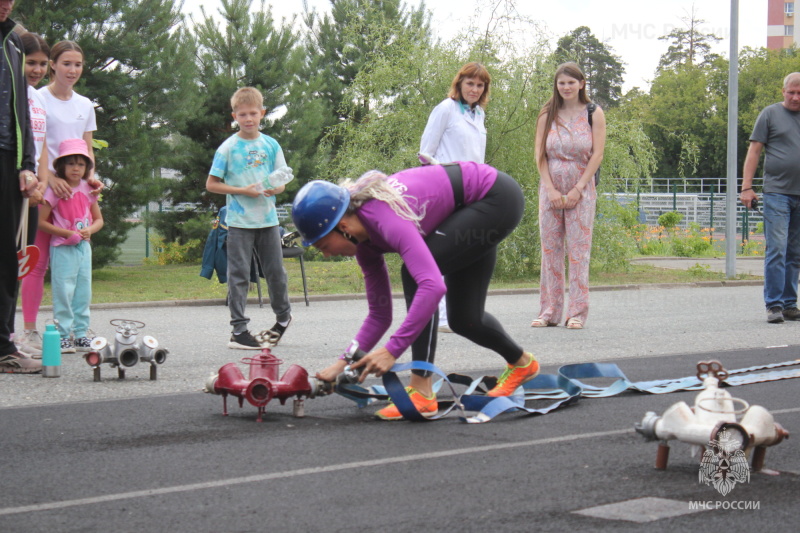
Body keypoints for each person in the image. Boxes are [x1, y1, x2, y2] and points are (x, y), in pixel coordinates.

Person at [292, 162, 539, 421]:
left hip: (495, 198)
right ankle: (522, 363)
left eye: (323, 245)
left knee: (415, 276)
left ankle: (421, 390)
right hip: (468, 209)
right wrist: (341, 364)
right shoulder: (365, 245)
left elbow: (433, 286)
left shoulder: (383, 216)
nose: (327, 254)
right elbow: (379, 315)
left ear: (343, 226)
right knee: (466, 320)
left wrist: (392, 350)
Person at [17, 39, 100, 355]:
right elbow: (34, 142)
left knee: (78, 268)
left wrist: (90, 178)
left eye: (78, 64)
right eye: (66, 63)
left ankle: (77, 328)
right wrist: (49, 178)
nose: (72, 70)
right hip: (44, 189)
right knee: (37, 263)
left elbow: (87, 147)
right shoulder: (36, 98)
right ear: (53, 64)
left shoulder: (85, 105)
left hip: (76, 193)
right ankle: (28, 331)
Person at [206, 87, 293, 350]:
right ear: (234, 115)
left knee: (276, 273)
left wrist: (274, 188)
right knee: (239, 276)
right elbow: (212, 184)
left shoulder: (271, 145)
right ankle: (239, 330)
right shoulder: (228, 148)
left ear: (262, 113)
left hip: (268, 221)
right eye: (242, 114)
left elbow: (282, 181)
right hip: (239, 223)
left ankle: (283, 318)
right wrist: (241, 191)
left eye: (253, 113)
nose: (248, 119)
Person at [532, 62, 605, 330]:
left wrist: (578, 188)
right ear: (556, 85)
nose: (566, 87)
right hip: (550, 187)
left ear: (581, 83)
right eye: (562, 83)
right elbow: (539, 153)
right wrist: (550, 188)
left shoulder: (593, 113)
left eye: (571, 82)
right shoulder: (547, 113)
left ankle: (577, 312)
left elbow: (597, 154)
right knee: (550, 250)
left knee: (578, 252)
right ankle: (549, 310)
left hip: (581, 189)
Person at [419, 61, 491, 334]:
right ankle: (438, 314)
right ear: (459, 83)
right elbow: (426, 152)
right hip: (446, 188)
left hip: (472, 190)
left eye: (479, 85)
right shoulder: (446, 108)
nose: (474, 89)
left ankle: (458, 311)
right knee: (442, 250)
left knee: (464, 250)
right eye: (470, 83)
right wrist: (444, 177)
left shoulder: (479, 114)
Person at [0, 0, 41, 373]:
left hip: (7, 159)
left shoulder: (13, 45)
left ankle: (3, 348)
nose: (5, 5)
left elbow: (22, 111)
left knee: (6, 257)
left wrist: (27, 164)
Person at [740, 72, 800, 324]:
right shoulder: (770, 114)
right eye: (791, 92)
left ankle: (789, 304)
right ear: (783, 91)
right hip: (777, 193)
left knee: (795, 251)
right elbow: (754, 151)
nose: (796, 97)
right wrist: (746, 187)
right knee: (777, 248)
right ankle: (773, 304)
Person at [38, 139, 103, 353]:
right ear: (62, 166)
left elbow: (98, 220)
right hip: (63, 248)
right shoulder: (56, 190)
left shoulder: (89, 189)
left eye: (81, 164)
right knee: (63, 292)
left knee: (83, 291)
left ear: (87, 168)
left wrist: (88, 231)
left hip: (84, 248)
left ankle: (81, 333)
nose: (76, 168)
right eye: (71, 163)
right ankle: (63, 335)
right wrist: (67, 233)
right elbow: (41, 222)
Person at [12, 32, 49, 357]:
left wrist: (41, 183)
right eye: (30, 62)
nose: (36, 69)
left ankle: (16, 334)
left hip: (34, 187)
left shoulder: (36, 98)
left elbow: (43, 147)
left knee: (20, 263)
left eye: (41, 63)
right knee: (8, 261)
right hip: (13, 187)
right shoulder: (10, 93)